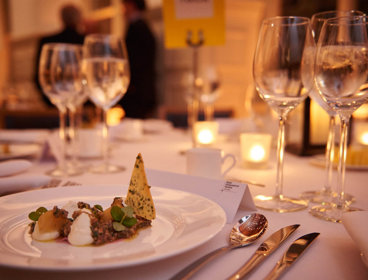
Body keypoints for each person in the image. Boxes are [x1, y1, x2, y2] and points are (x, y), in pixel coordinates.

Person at [34, 4, 85, 106]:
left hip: (53, 105)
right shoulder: (85, 42)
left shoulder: (47, 41)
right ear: (79, 19)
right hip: (82, 106)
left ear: (61, 18)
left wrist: (50, 99)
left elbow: (38, 77)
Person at [119, 0, 157, 119]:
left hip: (138, 92)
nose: (122, 10)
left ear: (131, 5)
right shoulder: (140, 26)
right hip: (141, 91)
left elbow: (136, 62)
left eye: (124, 6)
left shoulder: (138, 28)